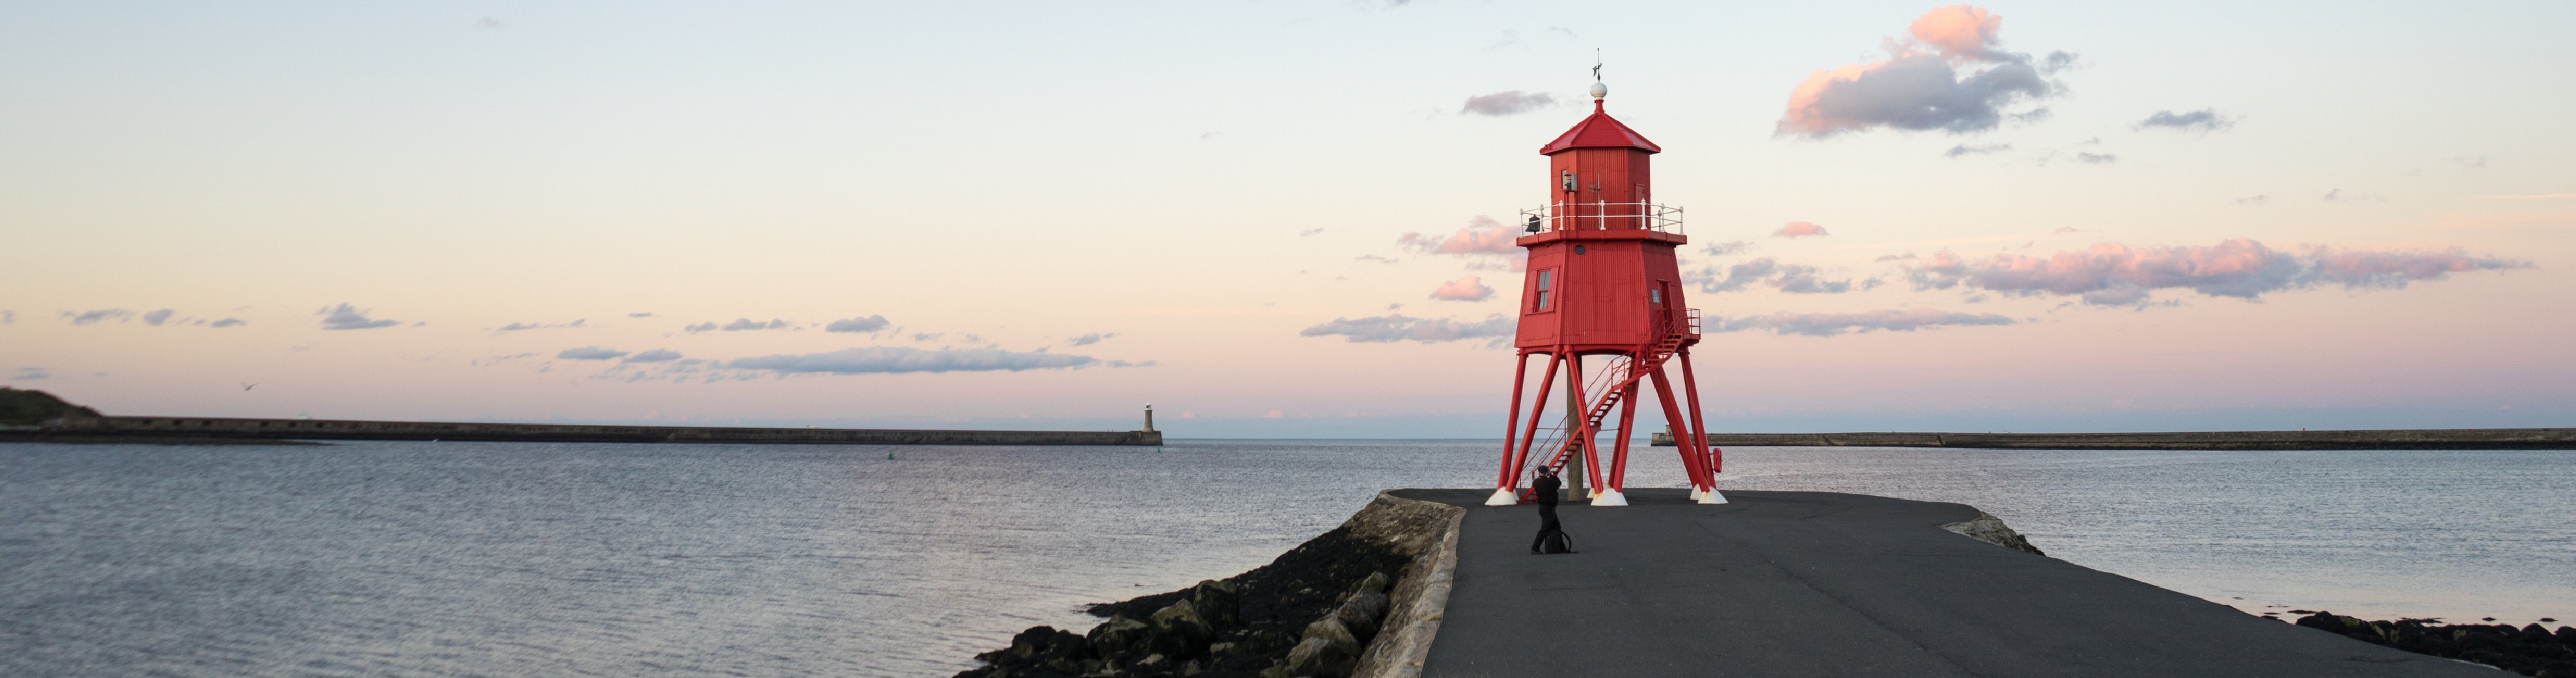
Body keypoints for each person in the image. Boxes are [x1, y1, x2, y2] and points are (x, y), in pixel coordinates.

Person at [1530, 465, 1567, 554]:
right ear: (1547, 472)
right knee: (1545, 528)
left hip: (1543, 507)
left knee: (1557, 527)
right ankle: (1535, 548)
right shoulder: (1550, 482)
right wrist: (1551, 475)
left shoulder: (1536, 482)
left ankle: (1562, 548)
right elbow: (1559, 483)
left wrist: (1548, 475)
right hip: (1549, 508)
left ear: (1539, 473)